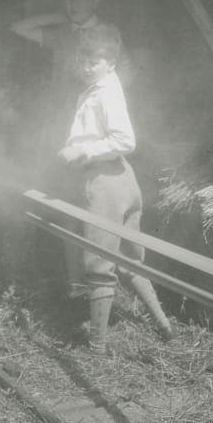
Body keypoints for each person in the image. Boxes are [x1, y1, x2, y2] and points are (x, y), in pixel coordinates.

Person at [58, 23, 174, 353]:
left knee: (98, 264)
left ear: (111, 62)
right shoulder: (103, 86)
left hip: (105, 183)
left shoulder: (105, 93)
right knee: (129, 260)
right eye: (83, 59)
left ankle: (97, 348)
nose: (86, 66)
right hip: (124, 180)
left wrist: (82, 151)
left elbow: (125, 140)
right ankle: (164, 326)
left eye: (94, 61)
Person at [10, 0, 112, 297]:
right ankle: (74, 282)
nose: (73, 3)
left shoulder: (109, 33)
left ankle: (97, 282)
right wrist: (59, 17)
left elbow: (118, 78)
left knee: (90, 203)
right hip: (60, 126)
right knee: (62, 201)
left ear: (96, 0)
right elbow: (18, 27)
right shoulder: (63, 34)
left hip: (92, 130)